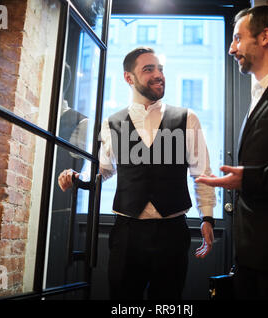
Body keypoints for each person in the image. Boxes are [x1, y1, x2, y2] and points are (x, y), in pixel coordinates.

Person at [58, 47, 216, 300]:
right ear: (128, 78)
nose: (158, 75)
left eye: (160, 69)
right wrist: (77, 178)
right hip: (127, 234)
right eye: (149, 69)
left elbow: (202, 173)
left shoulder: (187, 118)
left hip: (172, 232)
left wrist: (207, 216)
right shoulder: (111, 123)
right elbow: (102, 170)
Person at [196, 6, 268, 299]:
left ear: (264, 37)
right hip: (250, 256)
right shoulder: (260, 93)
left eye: (237, 39)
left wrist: (248, 179)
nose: (232, 49)